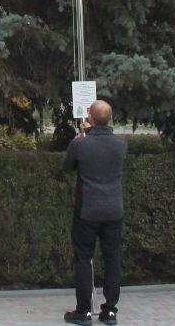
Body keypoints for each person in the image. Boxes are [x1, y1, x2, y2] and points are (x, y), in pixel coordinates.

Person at [61, 100, 127, 326]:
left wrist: (81, 137)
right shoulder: (121, 144)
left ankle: (84, 311)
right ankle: (110, 311)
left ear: (90, 118)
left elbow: (66, 167)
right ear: (110, 119)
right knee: (112, 259)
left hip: (87, 209)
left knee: (83, 258)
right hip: (114, 210)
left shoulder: (80, 144)